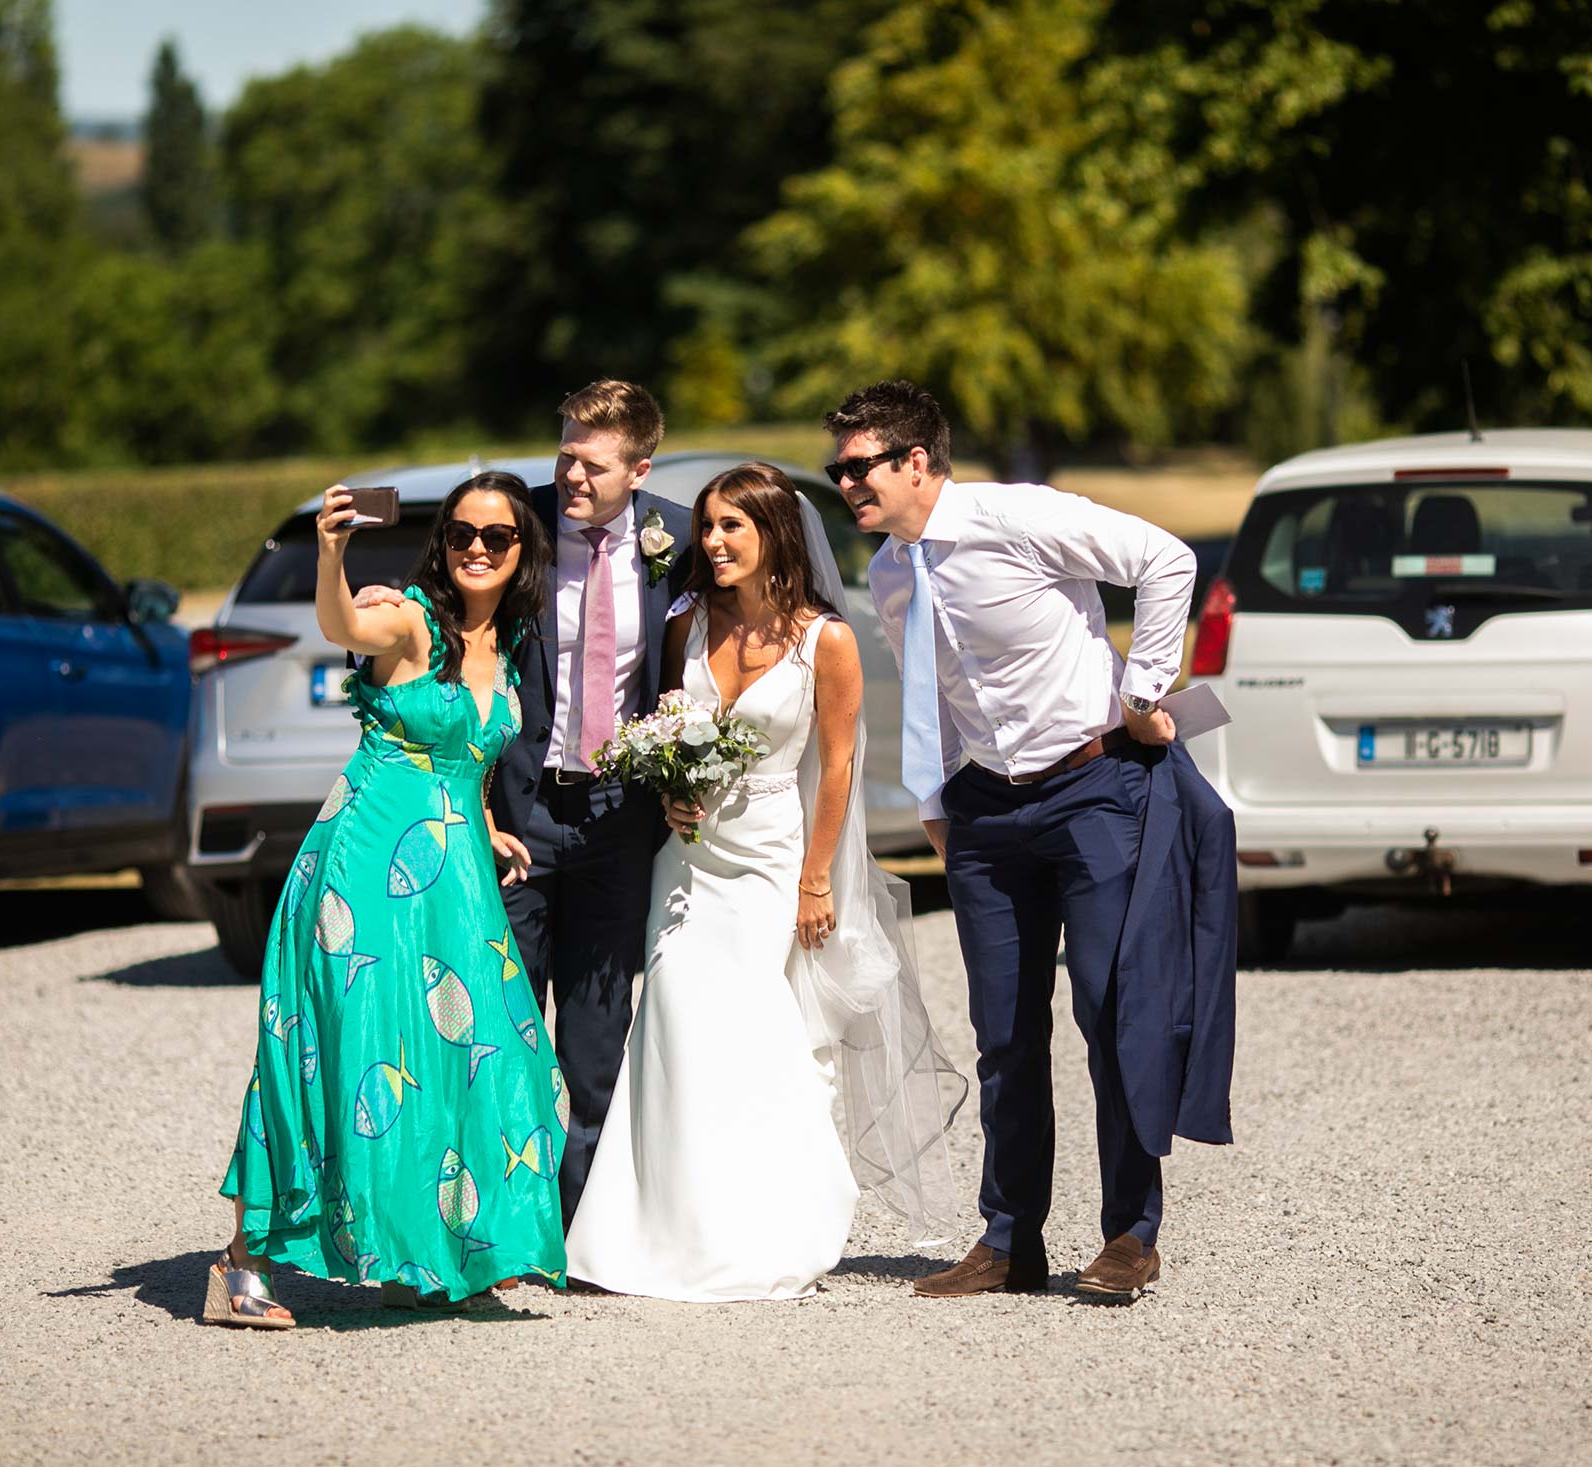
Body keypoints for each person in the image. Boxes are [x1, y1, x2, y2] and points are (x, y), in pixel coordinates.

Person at [826, 380, 1237, 1305]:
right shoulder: (893, 572)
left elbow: (1166, 559)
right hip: (985, 816)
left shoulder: (1022, 517)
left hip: (1093, 787)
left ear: (917, 461)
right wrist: (936, 805)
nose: (847, 483)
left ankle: (1131, 1233)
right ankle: (1011, 1239)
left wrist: (1144, 690)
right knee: (1005, 1034)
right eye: (838, 470)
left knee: (1110, 1009)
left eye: (861, 466)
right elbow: (926, 685)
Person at [563, 463, 964, 1301]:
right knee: (674, 1020)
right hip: (692, 859)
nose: (711, 542)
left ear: (775, 534)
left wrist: (816, 878)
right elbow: (668, 724)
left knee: (755, 1030)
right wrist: (670, 786)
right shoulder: (685, 624)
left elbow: (841, 765)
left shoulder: (828, 640)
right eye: (707, 526)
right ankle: (656, 1228)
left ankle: (769, 1222)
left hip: (776, 856)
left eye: (730, 527)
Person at [205, 472, 568, 1327]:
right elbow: (343, 625)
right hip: (365, 870)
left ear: (522, 554)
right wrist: (332, 552)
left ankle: (425, 1254)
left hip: (456, 881)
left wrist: (483, 818)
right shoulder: (411, 619)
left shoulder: (505, 644)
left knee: (477, 1049)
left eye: (499, 537)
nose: (477, 548)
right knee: (350, 1046)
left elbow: (465, 757)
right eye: (461, 534)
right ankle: (240, 1265)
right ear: (441, 545)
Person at [356, 381, 691, 1224]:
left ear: (639, 468)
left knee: (596, 1037)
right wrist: (377, 603)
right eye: (565, 451)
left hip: (621, 817)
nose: (572, 472)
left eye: (593, 461)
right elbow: (438, 593)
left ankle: (578, 1229)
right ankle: (486, 1220)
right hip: (510, 815)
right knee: (493, 1025)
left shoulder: (678, 538)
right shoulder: (515, 526)